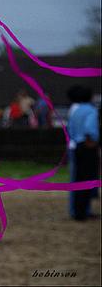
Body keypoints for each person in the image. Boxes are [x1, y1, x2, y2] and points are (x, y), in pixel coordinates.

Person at [66, 85, 100, 221]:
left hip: (76, 146)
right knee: (88, 180)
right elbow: (90, 129)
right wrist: (92, 144)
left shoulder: (75, 110)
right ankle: (84, 211)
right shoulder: (91, 110)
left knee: (78, 180)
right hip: (87, 147)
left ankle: (77, 210)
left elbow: (70, 129)